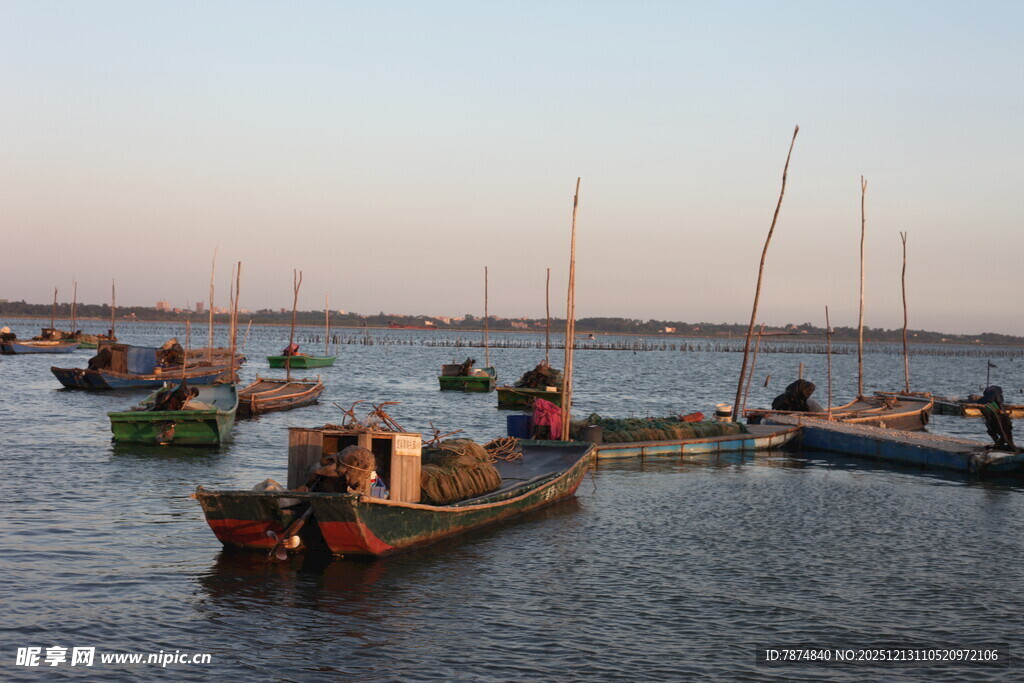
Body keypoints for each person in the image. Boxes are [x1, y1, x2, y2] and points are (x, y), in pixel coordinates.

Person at [978, 385, 1015, 450]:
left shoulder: (986, 405)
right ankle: (1002, 442)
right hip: (998, 427)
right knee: (1006, 426)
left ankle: (1000, 442)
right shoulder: (994, 406)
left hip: (995, 427)